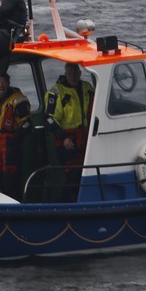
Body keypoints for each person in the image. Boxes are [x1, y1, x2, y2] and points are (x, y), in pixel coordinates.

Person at [46, 61, 94, 201]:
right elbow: (49, 119)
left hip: (87, 140)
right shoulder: (56, 92)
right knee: (73, 177)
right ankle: (66, 207)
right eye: (69, 73)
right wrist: (63, 138)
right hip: (68, 142)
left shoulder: (87, 88)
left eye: (75, 73)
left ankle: (84, 204)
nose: (72, 76)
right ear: (65, 74)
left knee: (87, 176)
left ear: (80, 73)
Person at [0, 71, 30, 197]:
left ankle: (13, 202)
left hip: (10, 145)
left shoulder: (18, 100)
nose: (0, 86)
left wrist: (14, 140)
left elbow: (27, 124)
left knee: (11, 177)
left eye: (3, 82)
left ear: (8, 83)